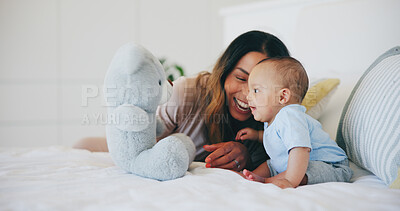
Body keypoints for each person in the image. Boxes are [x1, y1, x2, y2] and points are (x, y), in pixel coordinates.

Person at [74, 30, 290, 171]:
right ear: (224, 73)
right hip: (135, 142)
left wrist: (246, 156)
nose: (247, 94)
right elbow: (145, 149)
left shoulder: (281, 120)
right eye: (241, 78)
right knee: (81, 146)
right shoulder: (187, 93)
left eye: (259, 87)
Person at [235, 57, 352, 188]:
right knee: (272, 164)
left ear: (282, 96)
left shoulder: (290, 116)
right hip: (296, 164)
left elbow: (300, 149)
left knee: (303, 168)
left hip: (330, 165)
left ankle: (269, 181)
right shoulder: (274, 119)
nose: (248, 96)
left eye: (256, 90)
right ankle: (251, 176)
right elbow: (280, 140)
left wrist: (290, 181)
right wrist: (257, 135)